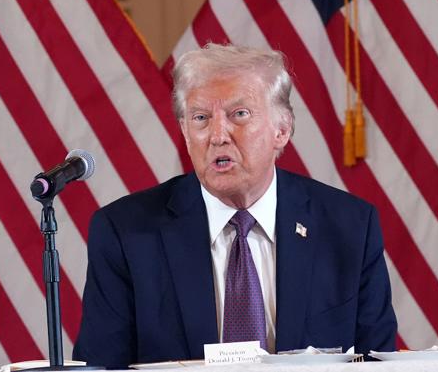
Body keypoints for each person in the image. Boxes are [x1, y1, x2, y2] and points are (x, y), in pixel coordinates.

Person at [74, 44, 397, 368]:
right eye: (201, 118)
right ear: (185, 131)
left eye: (239, 114)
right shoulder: (126, 233)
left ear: (282, 130)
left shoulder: (349, 227)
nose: (217, 136)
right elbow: (101, 367)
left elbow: (379, 364)